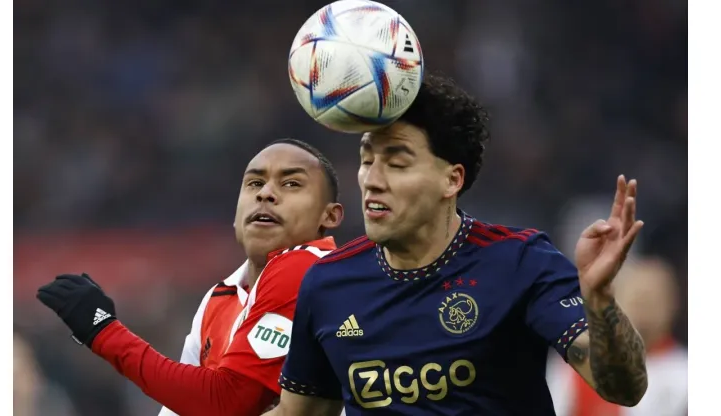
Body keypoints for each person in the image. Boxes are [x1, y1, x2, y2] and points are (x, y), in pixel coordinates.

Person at [266, 74, 648, 415]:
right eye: (367, 160)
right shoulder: (328, 283)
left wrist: (599, 300)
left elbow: (623, 389)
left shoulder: (520, 262)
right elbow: (299, 412)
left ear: (452, 180)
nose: (372, 180)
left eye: (397, 163)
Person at [36, 139, 345, 416]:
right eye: (253, 183)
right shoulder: (219, 297)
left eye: (291, 183)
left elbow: (228, 401)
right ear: (236, 213)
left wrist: (104, 332)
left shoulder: (311, 269)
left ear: (329, 216)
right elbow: (187, 404)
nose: (265, 193)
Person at [547, 256, 688, 416]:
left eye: (653, 298)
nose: (644, 308)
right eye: (636, 297)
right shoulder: (574, 363)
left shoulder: (687, 371)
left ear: (673, 304)